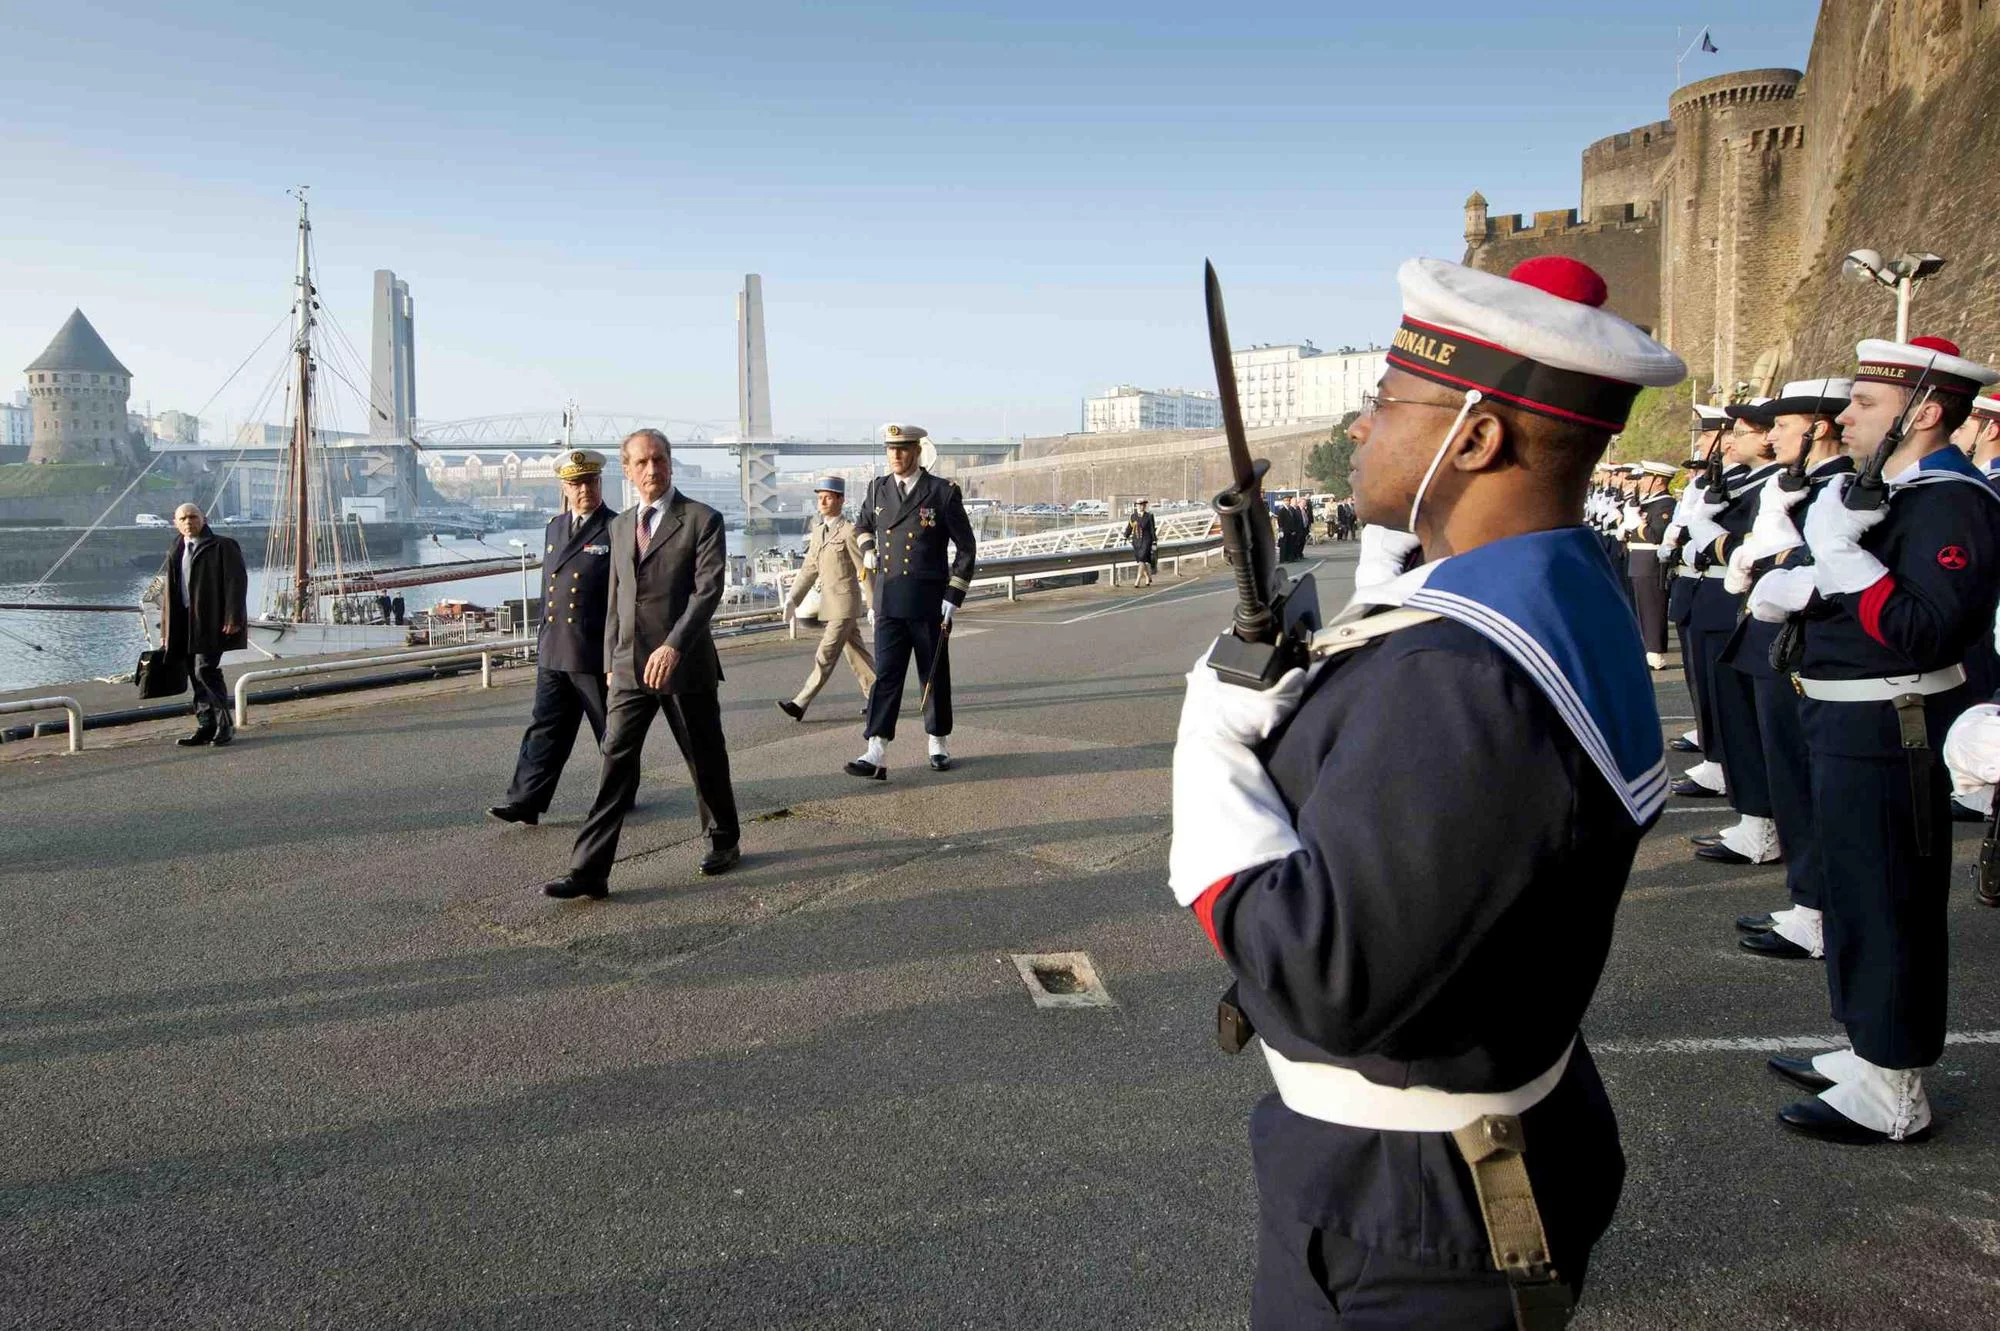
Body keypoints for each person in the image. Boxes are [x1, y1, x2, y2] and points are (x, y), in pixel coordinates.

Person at [1170, 255, 1683, 1326]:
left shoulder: (1456, 672)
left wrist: (1210, 751)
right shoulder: (1556, 580)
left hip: (1411, 1198)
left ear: (1477, 437)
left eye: (1384, 404)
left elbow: (1326, 973)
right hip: (1474, 1132)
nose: (1361, 430)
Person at [1747, 335, 2000, 1143]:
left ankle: (1897, 1089)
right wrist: (1812, 573)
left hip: (1893, 725)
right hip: (1846, 719)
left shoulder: (1952, 501)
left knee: (1890, 900)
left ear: (1921, 413)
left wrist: (1839, 557)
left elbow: (1925, 628)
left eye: (1865, 403)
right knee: (1855, 893)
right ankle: (1869, 1047)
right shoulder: (1888, 489)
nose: (1845, 416)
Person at [542, 429, 741, 899]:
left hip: (683, 664)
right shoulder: (619, 525)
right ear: (627, 471)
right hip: (630, 667)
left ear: (670, 463)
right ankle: (590, 870)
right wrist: (613, 658)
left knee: (704, 757)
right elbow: (616, 596)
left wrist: (673, 646)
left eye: (659, 460)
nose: (652, 469)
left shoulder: (701, 519)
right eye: (642, 462)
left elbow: (706, 591)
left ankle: (723, 838)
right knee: (614, 762)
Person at [1710, 380, 1851, 955]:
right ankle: (1808, 901)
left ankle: (1818, 910)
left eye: (1783, 425)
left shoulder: (1840, 484)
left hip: (1804, 643)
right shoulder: (1802, 483)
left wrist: (1768, 553)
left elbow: (1816, 561)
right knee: (1791, 779)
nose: (1772, 437)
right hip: (1777, 639)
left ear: (1816, 428)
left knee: (1809, 783)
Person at [489, 449, 619, 826]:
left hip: (594, 649)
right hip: (554, 647)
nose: (584, 490)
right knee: (544, 729)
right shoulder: (555, 527)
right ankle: (525, 801)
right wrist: (542, 641)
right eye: (577, 483)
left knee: (610, 732)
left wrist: (617, 654)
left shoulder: (617, 527)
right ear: (564, 487)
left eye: (591, 482)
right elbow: (550, 590)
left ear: (600, 483)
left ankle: (619, 793)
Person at [846, 423, 977, 777]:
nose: (896, 455)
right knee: (886, 674)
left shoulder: (942, 492)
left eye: (902, 449)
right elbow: (860, 526)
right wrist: (869, 548)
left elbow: (966, 548)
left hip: (928, 600)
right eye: (890, 449)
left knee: (931, 673)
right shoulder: (877, 490)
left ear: (917, 451)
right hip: (888, 599)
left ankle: (937, 739)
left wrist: (954, 594)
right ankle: (875, 747)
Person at [779, 476, 877, 720]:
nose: (822, 501)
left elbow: (863, 569)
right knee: (857, 655)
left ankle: (800, 703)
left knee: (825, 655)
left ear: (840, 500)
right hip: (830, 605)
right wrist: (793, 599)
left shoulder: (849, 531)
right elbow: (809, 569)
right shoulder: (818, 532)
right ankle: (879, 697)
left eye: (828, 497)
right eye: (819, 497)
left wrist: (873, 604)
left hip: (844, 605)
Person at [162, 502, 249, 748]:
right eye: (183, 518)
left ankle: (225, 725)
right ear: (175, 522)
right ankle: (205, 725)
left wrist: (233, 618)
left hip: (211, 621)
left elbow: (236, 583)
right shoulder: (176, 547)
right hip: (183, 621)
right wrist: (166, 628)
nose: (189, 522)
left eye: (193, 517)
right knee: (193, 672)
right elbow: (170, 589)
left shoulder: (222, 545)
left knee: (205, 670)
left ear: (204, 518)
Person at [1626, 461, 1678, 668]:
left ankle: (1655, 651)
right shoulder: (1649, 503)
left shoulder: (1666, 504)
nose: (1644, 482)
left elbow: (1656, 534)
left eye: (1648, 478)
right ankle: (1648, 645)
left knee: (1653, 607)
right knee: (1642, 606)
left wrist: (1637, 525)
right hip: (1639, 561)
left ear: (1659, 482)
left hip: (1651, 562)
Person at [1124, 497, 1158, 586]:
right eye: (1139, 505)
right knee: (1141, 561)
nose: (1141, 506)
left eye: (1143, 504)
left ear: (1145, 505)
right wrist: (1125, 536)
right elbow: (1129, 528)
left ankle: (1138, 580)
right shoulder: (1133, 516)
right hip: (1136, 542)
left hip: (1147, 541)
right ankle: (1147, 577)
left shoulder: (1149, 516)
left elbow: (1152, 529)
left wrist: (1154, 541)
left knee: (1142, 559)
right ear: (1136, 506)